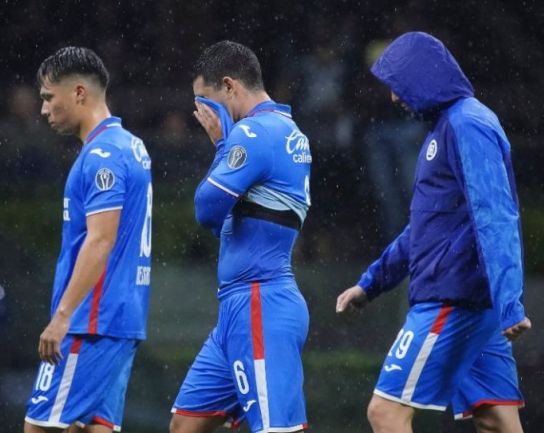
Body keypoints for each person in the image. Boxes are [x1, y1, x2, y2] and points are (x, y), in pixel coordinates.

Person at [336, 31, 530, 433]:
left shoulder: (467, 124)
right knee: (498, 419)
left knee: (385, 412)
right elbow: (423, 230)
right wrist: (371, 283)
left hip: (452, 299)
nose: (394, 97)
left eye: (398, 86)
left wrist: (511, 300)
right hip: (473, 302)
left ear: (423, 77)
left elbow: (494, 215)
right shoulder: (447, 128)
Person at [170, 41, 312, 433]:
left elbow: (206, 208)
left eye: (205, 101)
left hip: (259, 302)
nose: (201, 114)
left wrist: (220, 145)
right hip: (239, 309)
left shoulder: (255, 132)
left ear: (230, 87)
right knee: (185, 424)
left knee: (276, 430)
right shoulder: (284, 129)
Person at [24, 47, 152, 433]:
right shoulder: (132, 146)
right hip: (122, 319)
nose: (44, 110)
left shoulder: (103, 154)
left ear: (79, 92)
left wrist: (62, 317)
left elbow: (100, 241)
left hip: (90, 323)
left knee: (39, 427)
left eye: (49, 97)